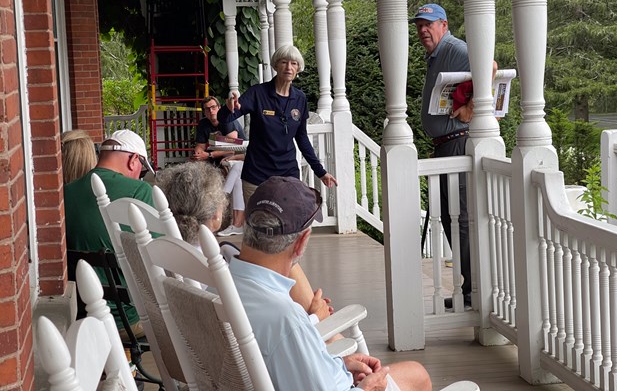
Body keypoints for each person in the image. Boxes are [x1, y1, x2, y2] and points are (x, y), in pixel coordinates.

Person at [230, 176, 432, 391]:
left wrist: (338, 366)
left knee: (414, 372)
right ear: (300, 243)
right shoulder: (285, 319)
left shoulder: (221, 286)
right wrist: (367, 388)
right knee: (418, 376)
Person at [156, 162, 332, 320]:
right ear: (215, 215)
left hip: (194, 332)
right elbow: (259, 323)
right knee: (289, 261)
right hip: (244, 337)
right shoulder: (213, 269)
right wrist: (316, 317)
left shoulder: (168, 252)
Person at [411, 3, 495, 309]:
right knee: (450, 216)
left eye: (429, 24)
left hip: (458, 142)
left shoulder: (454, 47)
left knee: (460, 219)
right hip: (445, 144)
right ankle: (468, 288)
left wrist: (472, 108)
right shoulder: (436, 54)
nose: (423, 30)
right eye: (419, 25)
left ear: (443, 25)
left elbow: (491, 67)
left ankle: (474, 292)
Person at [218, 45, 337, 203]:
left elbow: (302, 138)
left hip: (287, 175)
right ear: (275, 65)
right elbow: (224, 118)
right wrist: (228, 108)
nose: (289, 67)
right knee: (258, 225)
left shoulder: (300, 99)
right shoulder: (257, 93)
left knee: (288, 224)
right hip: (257, 176)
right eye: (283, 62)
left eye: (294, 63)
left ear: (298, 68)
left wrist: (320, 172)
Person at [65, 129, 155, 337]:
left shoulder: (66, 192)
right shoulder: (139, 191)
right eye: (142, 168)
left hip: (82, 314)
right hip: (128, 319)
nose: (139, 175)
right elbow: (158, 258)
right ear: (133, 160)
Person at [192, 95, 246, 236]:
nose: (211, 111)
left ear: (219, 108)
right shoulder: (203, 124)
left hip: (239, 158)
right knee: (196, 170)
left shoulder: (227, 120)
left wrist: (210, 155)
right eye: (208, 109)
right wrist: (198, 153)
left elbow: (234, 147)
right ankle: (230, 221)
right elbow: (200, 146)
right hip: (219, 163)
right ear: (204, 112)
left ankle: (218, 206)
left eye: (214, 107)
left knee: (235, 169)